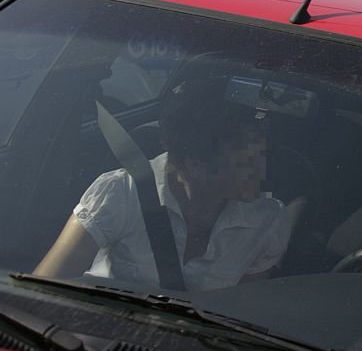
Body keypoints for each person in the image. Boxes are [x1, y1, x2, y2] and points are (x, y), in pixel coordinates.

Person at [35, 77, 290, 291]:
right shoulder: (120, 194)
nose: (262, 172)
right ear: (195, 164)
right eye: (246, 165)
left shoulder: (267, 221)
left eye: (262, 157)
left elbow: (242, 318)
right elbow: (42, 292)